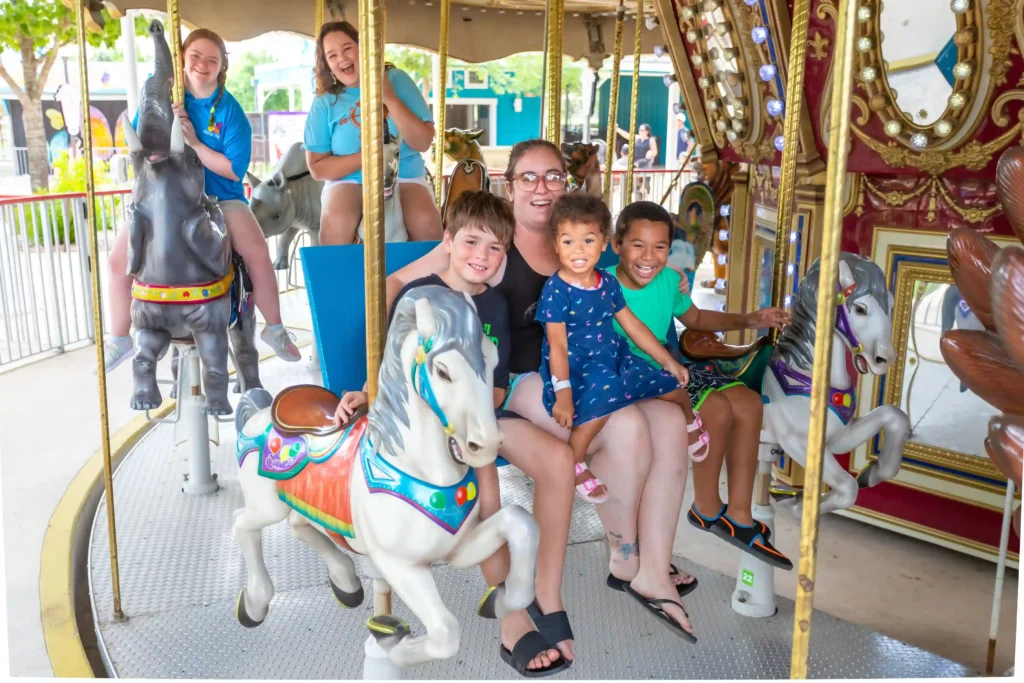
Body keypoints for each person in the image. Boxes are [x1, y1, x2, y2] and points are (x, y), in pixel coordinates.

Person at [388, 139, 699, 655]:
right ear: (509, 185)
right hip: (517, 379)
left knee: (666, 425)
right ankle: (622, 548)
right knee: (627, 428)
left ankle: (647, 568)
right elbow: (402, 282)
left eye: (553, 177)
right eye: (528, 178)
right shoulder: (490, 240)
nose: (541, 188)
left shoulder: (571, 237)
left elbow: (622, 275)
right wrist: (381, 370)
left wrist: (668, 277)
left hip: (585, 369)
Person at [336, 190, 575, 676]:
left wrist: (474, 417)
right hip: (430, 427)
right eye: (470, 243)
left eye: (494, 249)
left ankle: (542, 593)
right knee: (486, 479)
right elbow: (392, 367)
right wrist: (365, 391)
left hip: (481, 418)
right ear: (447, 240)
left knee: (558, 459)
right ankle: (513, 624)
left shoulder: (495, 306)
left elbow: (498, 382)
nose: (480, 258)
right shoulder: (418, 298)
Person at [102, 28, 301, 371]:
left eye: (212, 59)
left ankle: (275, 327)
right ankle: (120, 337)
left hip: (219, 198)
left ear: (223, 65)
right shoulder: (165, 99)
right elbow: (143, 148)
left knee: (257, 253)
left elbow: (232, 170)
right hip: (166, 199)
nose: (203, 64)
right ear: (182, 60)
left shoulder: (229, 112)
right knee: (117, 259)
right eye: (195, 56)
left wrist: (193, 142)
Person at [610, 201, 794, 570]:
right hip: (629, 373)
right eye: (638, 245)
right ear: (617, 245)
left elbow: (693, 317)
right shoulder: (605, 285)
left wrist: (749, 318)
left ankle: (739, 515)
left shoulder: (666, 281)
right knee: (716, 407)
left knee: (747, 401)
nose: (649, 257)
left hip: (669, 364)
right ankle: (707, 508)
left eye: (660, 247)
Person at [537, 194, 711, 505]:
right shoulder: (556, 290)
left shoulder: (607, 283)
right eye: (568, 241)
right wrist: (563, 391)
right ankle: (574, 463)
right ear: (555, 245)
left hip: (612, 353)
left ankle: (689, 419)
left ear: (604, 243)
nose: (578, 250)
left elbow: (632, 327)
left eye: (588, 240)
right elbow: (558, 344)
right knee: (604, 395)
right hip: (578, 363)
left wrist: (668, 361)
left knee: (670, 382)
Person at [303, 21, 442, 246]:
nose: (342, 58)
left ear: (364, 48)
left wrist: (389, 97)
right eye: (332, 55)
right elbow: (317, 167)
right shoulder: (325, 101)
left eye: (348, 48)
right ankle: (340, 281)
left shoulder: (396, 79)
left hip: (404, 172)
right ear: (327, 65)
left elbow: (423, 141)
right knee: (336, 224)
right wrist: (368, 157)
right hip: (351, 179)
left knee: (426, 222)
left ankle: (431, 279)